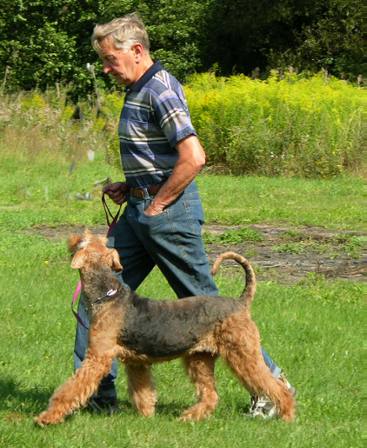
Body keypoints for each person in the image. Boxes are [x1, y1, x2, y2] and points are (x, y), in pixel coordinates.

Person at [74, 12, 294, 419]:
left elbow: (194, 156)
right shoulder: (137, 88)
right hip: (140, 212)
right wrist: (133, 187)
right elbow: (158, 154)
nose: (106, 68)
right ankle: (96, 398)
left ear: (136, 51)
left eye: (110, 59)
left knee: (215, 310)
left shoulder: (160, 89)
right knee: (98, 295)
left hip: (167, 216)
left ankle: (273, 387)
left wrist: (156, 203)